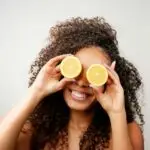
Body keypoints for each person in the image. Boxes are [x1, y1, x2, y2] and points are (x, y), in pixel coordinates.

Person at [0, 17, 144, 150]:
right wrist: (36, 91)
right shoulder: (33, 129)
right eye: (76, 71)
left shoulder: (128, 131)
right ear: (61, 70)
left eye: (93, 74)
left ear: (109, 80)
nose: (82, 82)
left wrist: (116, 112)